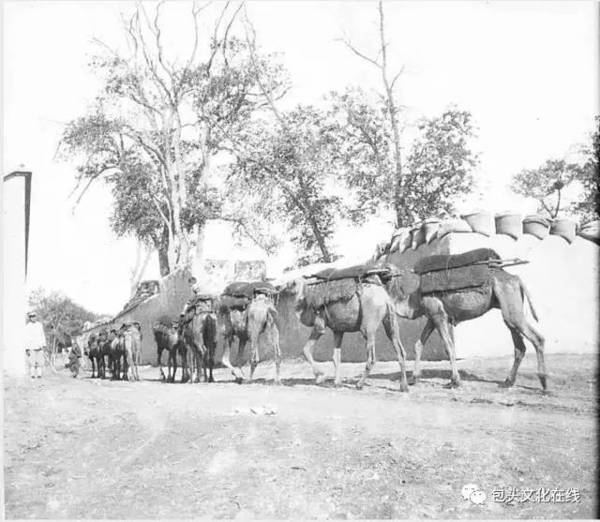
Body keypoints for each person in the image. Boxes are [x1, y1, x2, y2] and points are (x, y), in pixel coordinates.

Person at [25, 311, 46, 379]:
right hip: (31, 346)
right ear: (30, 318)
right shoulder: (28, 326)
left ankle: (39, 375)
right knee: (32, 362)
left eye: (34, 316)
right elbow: (26, 338)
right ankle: (32, 375)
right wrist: (27, 348)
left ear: (36, 317)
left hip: (39, 346)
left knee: (40, 362)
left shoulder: (39, 325)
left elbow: (42, 335)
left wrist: (44, 345)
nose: (33, 318)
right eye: (31, 317)